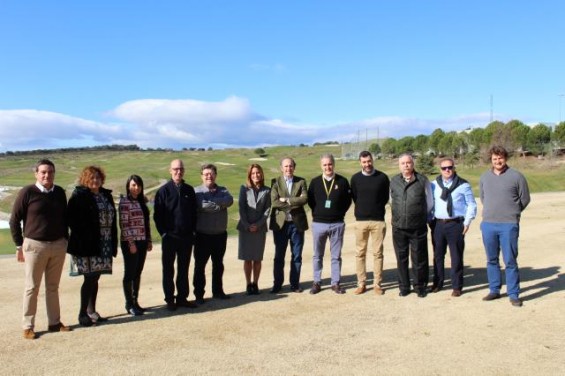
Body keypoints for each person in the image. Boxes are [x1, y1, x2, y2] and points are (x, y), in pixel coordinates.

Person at [9, 159, 71, 339]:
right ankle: (28, 326)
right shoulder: (27, 192)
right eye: (43, 172)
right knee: (32, 287)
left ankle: (54, 323)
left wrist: (65, 240)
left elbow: (64, 218)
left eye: (50, 172)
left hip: (58, 245)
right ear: (36, 173)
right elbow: (14, 220)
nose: (47, 175)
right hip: (35, 246)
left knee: (53, 287)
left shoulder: (59, 192)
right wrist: (19, 245)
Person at [479, 145, 530, 307]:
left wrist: (513, 212)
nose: (498, 161)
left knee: (510, 260)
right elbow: (483, 198)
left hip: (508, 224)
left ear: (505, 158)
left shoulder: (517, 176)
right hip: (488, 224)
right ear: (491, 160)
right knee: (491, 260)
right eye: (495, 158)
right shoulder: (484, 177)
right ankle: (494, 289)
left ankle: (513, 293)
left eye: (500, 158)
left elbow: (525, 199)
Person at [68, 165, 118, 326]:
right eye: (91, 178)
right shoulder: (79, 195)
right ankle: (82, 314)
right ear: (85, 180)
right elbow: (71, 219)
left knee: (96, 277)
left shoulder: (105, 195)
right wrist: (83, 235)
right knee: (89, 278)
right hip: (87, 243)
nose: (95, 180)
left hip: (104, 242)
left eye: (97, 177)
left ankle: (92, 312)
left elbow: (113, 220)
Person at [154, 159, 197, 311]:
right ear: (170, 170)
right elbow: (157, 216)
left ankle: (182, 298)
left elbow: (194, 213)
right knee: (168, 269)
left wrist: (192, 232)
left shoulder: (189, 190)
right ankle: (170, 299)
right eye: (175, 169)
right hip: (170, 238)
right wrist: (164, 233)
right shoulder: (163, 191)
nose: (178, 171)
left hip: (186, 237)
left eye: (181, 169)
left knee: (183, 269)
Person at [430, 158, 477, 297]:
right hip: (438, 224)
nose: (447, 170)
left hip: (456, 224)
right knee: (438, 256)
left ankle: (457, 286)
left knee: (456, 256)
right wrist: (430, 220)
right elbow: (430, 203)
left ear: (454, 168)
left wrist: (467, 222)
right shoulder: (434, 185)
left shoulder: (463, 185)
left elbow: (471, 204)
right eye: (444, 168)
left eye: (449, 167)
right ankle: (438, 283)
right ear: (440, 170)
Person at [390, 153, 433, 298]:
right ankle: (404, 287)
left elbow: (430, 202)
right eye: (403, 163)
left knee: (419, 258)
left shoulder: (422, 180)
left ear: (412, 164)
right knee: (401, 258)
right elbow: (391, 201)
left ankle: (420, 286)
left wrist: (418, 215)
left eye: (408, 163)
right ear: (399, 165)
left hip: (417, 227)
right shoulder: (394, 181)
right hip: (399, 227)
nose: (406, 165)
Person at [307, 153, 352, 294]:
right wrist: (318, 213)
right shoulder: (315, 182)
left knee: (336, 256)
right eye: (325, 164)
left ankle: (335, 282)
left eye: (330, 164)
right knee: (317, 255)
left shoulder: (342, 181)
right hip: (319, 224)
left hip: (337, 223)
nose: (328, 167)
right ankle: (317, 282)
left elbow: (347, 201)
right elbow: (310, 201)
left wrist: (339, 213)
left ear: (334, 164)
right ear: (321, 166)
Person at [350, 151, 390, 295]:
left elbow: (385, 197)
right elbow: (355, 197)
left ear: (372, 160)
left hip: (378, 221)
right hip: (361, 221)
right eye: (364, 162)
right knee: (360, 253)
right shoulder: (355, 178)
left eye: (369, 161)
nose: (367, 164)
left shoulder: (382, 178)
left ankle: (377, 284)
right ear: (360, 162)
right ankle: (361, 283)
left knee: (377, 253)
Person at [193, 164, 234, 304]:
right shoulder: (196, 191)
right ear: (202, 176)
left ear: (215, 175)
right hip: (202, 235)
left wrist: (213, 203)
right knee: (200, 266)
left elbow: (230, 200)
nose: (209, 176)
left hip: (220, 235)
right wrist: (220, 205)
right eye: (206, 174)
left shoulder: (223, 189)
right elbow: (202, 205)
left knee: (218, 265)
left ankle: (218, 291)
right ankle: (199, 295)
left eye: (211, 173)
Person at [269, 157, 309, 293]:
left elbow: (304, 199)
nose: (288, 169)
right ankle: (277, 284)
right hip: (281, 225)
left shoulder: (301, 181)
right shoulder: (275, 182)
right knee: (279, 256)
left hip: (296, 224)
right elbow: (274, 202)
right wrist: (293, 203)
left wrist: (286, 200)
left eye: (290, 166)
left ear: (294, 167)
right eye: (286, 166)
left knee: (296, 256)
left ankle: (294, 284)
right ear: (281, 168)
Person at [119, 175, 153, 316]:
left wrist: (149, 240)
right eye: (133, 185)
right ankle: (129, 304)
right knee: (130, 273)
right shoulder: (124, 202)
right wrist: (131, 243)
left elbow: (146, 223)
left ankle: (135, 301)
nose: (136, 188)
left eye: (138, 185)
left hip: (142, 241)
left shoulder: (141, 202)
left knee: (137, 273)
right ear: (128, 186)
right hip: (130, 242)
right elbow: (124, 224)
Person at [237, 164, 271, 295]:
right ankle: (248, 284)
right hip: (245, 228)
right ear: (249, 175)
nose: (255, 175)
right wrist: (247, 225)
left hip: (260, 228)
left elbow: (267, 210)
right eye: (253, 173)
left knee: (257, 258)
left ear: (261, 174)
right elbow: (242, 208)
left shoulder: (267, 190)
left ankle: (255, 284)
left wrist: (258, 224)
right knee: (247, 259)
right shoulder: (244, 189)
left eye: (257, 173)